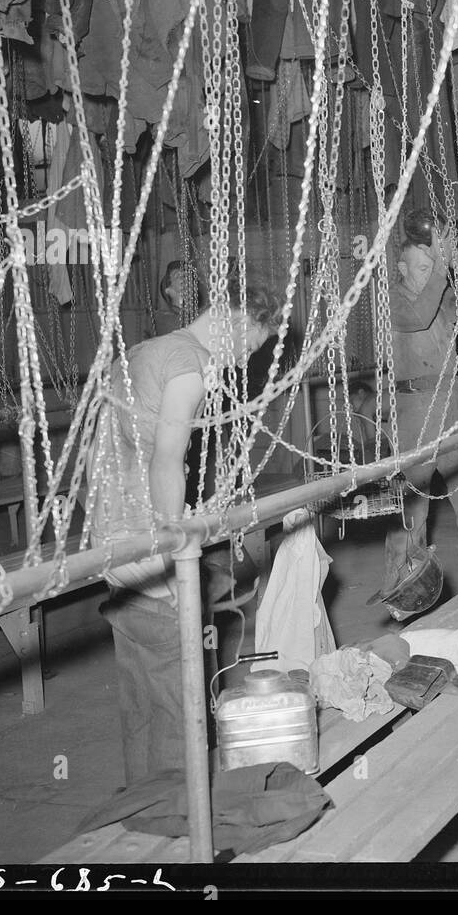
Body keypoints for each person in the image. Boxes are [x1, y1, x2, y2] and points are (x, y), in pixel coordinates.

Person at [90, 271, 280, 785]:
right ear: (238, 321)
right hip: (144, 540)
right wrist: (175, 555)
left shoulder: (145, 350)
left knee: (139, 684)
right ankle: (181, 807)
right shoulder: (189, 365)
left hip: (109, 534)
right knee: (179, 682)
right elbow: (166, 463)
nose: (244, 362)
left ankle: (143, 795)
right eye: (249, 347)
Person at [383, 210, 458, 596]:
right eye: (419, 267)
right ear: (400, 267)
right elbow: (418, 317)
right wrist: (439, 267)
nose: (427, 274)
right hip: (414, 411)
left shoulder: (446, 295)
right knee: (409, 517)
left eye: (431, 267)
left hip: (451, 406)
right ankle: (404, 597)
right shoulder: (394, 301)